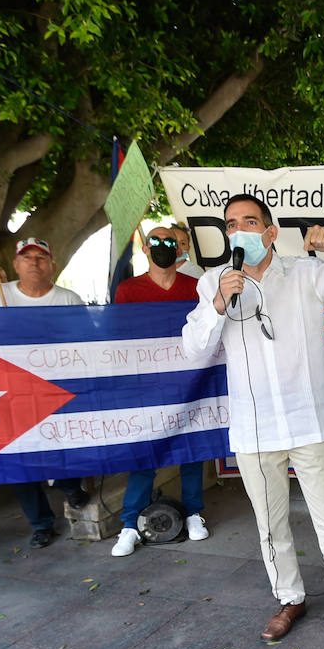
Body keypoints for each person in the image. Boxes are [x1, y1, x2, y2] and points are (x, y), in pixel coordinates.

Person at [181, 194, 324, 649]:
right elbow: (193, 350)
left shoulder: (306, 273)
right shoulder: (214, 281)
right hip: (255, 430)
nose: (239, 231)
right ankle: (290, 599)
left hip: (309, 423)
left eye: (249, 222)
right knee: (271, 527)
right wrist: (218, 303)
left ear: (271, 232)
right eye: (231, 224)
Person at [0, 238, 88, 547]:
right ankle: (41, 523)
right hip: (10, 390)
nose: (34, 262)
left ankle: (69, 484)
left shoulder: (68, 299)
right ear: (16, 264)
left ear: (53, 265)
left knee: (62, 442)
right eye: (27, 257)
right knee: (21, 457)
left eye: (41, 257)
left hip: (57, 387)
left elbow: (84, 341)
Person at [110, 226, 208, 556]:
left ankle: (194, 512)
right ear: (145, 248)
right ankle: (129, 523)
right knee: (145, 453)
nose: (163, 246)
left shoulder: (194, 287)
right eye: (156, 241)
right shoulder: (128, 289)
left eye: (169, 241)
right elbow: (121, 337)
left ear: (179, 249)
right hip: (147, 386)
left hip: (188, 381)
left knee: (192, 449)